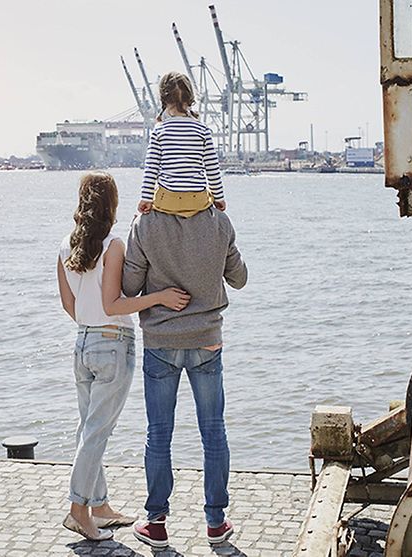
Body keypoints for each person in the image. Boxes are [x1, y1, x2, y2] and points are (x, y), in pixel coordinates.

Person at [56, 171, 192, 541]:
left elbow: (70, 305)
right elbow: (114, 305)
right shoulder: (114, 245)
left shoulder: (65, 246)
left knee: (89, 429)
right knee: (97, 432)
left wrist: (89, 326)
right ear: (111, 204)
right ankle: (77, 510)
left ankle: (98, 505)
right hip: (113, 343)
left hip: (82, 343)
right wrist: (160, 297)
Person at [123, 169, 248, 548]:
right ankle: (215, 523)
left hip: (160, 341)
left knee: (158, 433)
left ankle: (156, 523)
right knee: (214, 432)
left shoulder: (144, 225)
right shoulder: (219, 222)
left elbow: (129, 287)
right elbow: (239, 278)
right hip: (207, 341)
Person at [138, 72, 225, 218]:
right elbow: (212, 169)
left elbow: (151, 169)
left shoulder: (159, 130)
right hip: (197, 201)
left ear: (163, 99)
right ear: (190, 98)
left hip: (167, 201)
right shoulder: (203, 130)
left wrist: (146, 198)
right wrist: (219, 197)